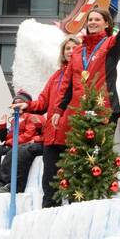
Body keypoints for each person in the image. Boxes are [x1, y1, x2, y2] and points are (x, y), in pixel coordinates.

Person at [16, 33, 81, 207]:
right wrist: (26, 106)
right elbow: (43, 102)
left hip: (72, 135)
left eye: (74, 48)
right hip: (51, 137)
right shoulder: (56, 77)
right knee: (49, 183)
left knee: (73, 183)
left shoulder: (83, 75)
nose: (70, 51)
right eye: (67, 48)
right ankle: (48, 220)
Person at [59, 0, 120, 132]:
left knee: (100, 152)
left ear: (107, 24)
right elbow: (69, 85)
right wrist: (59, 109)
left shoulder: (110, 45)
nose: (92, 22)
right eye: (90, 19)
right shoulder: (78, 51)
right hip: (82, 111)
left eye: (97, 19)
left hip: (105, 110)